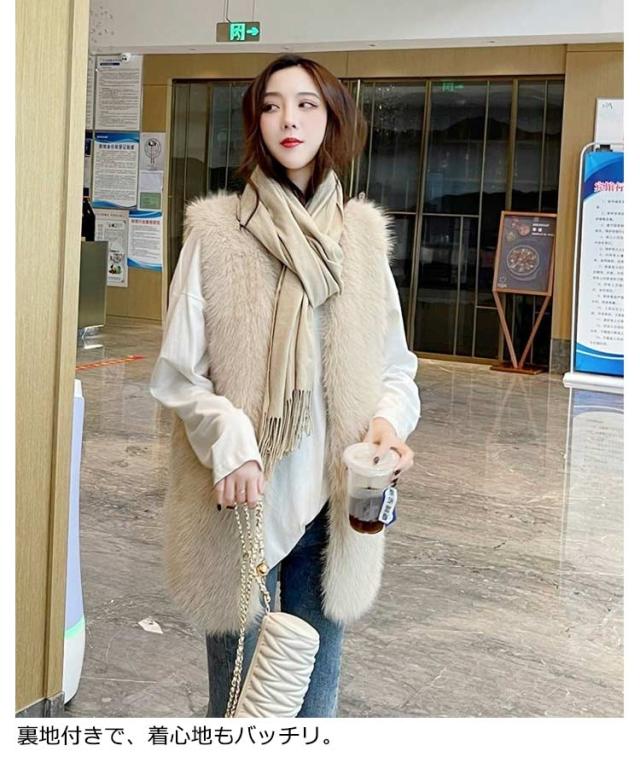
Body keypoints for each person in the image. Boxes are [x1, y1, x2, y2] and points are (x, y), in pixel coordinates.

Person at [150, 54, 421, 718]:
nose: (288, 120)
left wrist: (387, 421)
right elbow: (178, 373)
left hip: (335, 503)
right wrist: (231, 438)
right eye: (271, 106)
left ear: (332, 119)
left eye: (305, 104)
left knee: (315, 703)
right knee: (241, 704)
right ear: (256, 124)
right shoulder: (218, 232)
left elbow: (395, 365)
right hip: (243, 501)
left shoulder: (360, 237)